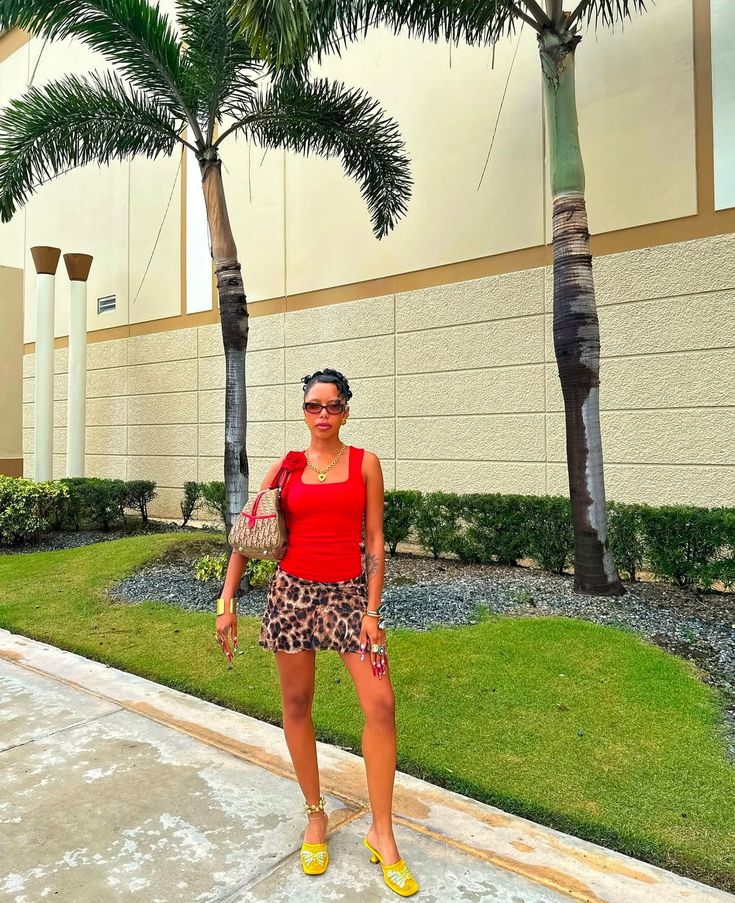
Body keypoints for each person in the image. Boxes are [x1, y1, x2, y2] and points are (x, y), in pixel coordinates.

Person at [215, 368, 419, 897]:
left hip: (350, 598)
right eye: (313, 406)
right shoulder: (287, 467)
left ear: (347, 409)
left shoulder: (365, 463)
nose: (322, 415)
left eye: (332, 406)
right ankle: (315, 815)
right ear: (303, 410)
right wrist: (226, 600)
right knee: (298, 705)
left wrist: (373, 611)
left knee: (381, 705)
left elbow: (374, 539)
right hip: (293, 596)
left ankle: (383, 831)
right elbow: (248, 529)